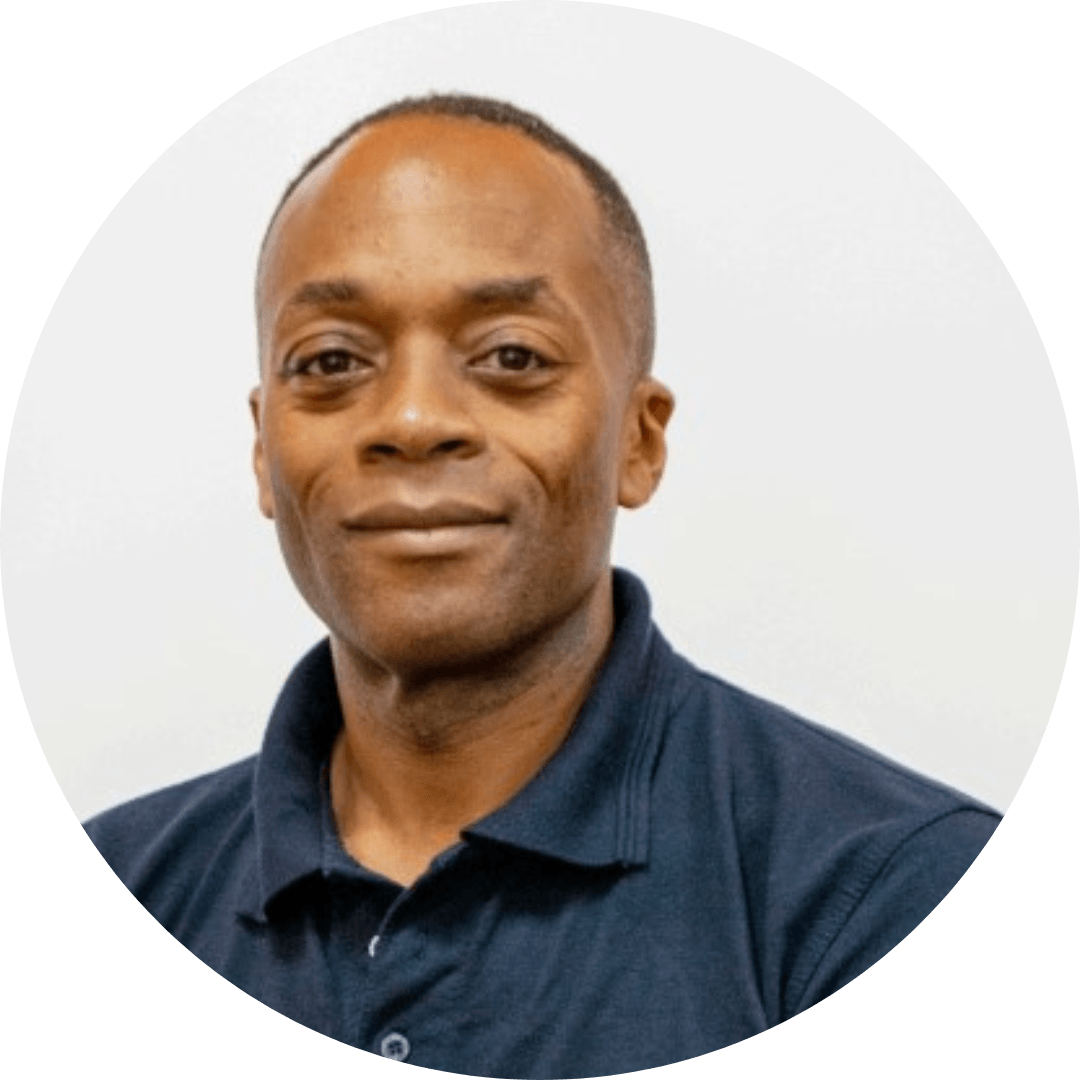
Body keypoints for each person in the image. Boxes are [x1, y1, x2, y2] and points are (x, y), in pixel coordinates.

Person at [84, 95, 1000, 1078]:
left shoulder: (901, 897)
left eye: (512, 357)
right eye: (332, 360)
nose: (413, 419)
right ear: (265, 451)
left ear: (638, 442)